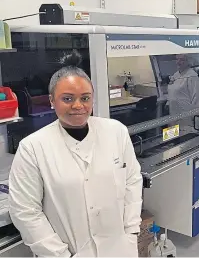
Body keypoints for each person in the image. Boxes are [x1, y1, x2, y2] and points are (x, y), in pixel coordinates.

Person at [8, 50, 143, 257]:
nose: (78, 106)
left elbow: (132, 181)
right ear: (52, 100)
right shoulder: (33, 148)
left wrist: (131, 232)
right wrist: (60, 254)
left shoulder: (116, 131)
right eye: (68, 98)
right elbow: (26, 212)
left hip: (119, 249)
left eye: (85, 98)